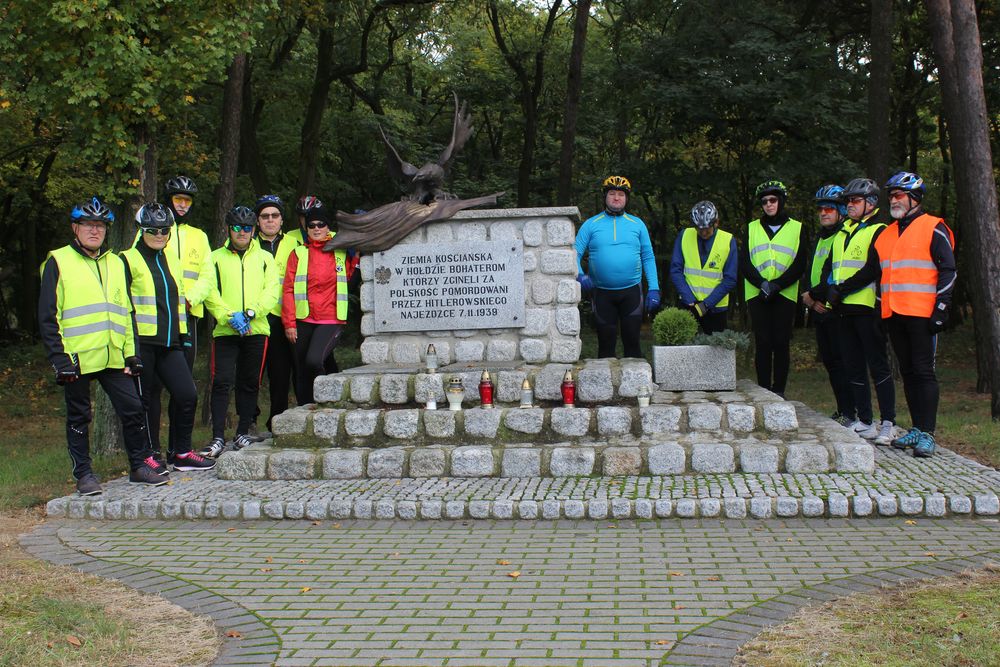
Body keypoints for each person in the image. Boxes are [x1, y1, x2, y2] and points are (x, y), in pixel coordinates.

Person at [38, 198, 165, 494]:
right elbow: (47, 316)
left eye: (100, 226)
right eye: (88, 225)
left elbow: (126, 312)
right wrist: (59, 359)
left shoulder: (115, 263)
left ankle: (138, 466)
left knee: (134, 409)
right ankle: (84, 475)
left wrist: (131, 353)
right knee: (79, 416)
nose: (94, 231)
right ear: (75, 227)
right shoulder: (58, 261)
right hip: (76, 357)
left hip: (113, 357)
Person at [831, 172, 956, 457]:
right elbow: (877, 273)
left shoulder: (933, 227)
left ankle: (928, 433)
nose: (893, 200)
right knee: (909, 373)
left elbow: (948, 270)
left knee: (924, 372)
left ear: (915, 198)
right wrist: (877, 309)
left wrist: (942, 308)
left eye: (898, 195)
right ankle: (916, 428)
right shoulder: (886, 233)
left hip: (924, 314)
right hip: (894, 313)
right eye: (891, 196)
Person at [121, 203, 214, 471]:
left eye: (165, 230)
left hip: (172, 341)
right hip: (144, 343)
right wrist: (130, 349)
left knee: (187, 395)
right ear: (141, 230)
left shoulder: (170, 258)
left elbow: (179, 298)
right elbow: (124, 307)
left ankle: (181, 453)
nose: (160, 235)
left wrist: (184, 335)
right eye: (153, 230)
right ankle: (148, 455)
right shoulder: (126, 259)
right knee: (146, 402)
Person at [812, 178, 897, 445]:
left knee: (878, 366)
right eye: (848, 201)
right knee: (853, 366)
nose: (850, 205)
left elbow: (873, 268)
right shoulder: (842, 232)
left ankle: (888, 422)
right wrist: (828, 291)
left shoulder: (879, 230)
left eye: (855, 201)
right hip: (843, 309)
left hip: (867, 306)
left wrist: (841, 289)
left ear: (870, 204)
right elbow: (829, 267)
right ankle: (865, 419)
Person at [199, 206, 280, 458]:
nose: (242, 232)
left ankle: (243, 431)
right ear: (228, 229)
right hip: (226, 331)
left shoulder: (265, 258)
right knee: (221, 382)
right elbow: (209, 292)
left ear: (254, 229)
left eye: (247, 228)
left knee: (249, 382)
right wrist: (227, 316)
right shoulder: (214, 257)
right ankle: (217, 437)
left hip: (256, 329)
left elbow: (272, 291)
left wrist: (250, 313)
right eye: (237, 228)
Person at [143, 176, 213, 465]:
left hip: (188, 318)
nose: (182, 205)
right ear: (169, 200)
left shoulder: (199, 236)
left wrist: (191, 298)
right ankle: (150, 451)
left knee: (183, 389)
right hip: (157, 321)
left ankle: (179, 449)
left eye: (187, 200)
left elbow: (208, 274)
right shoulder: (154, 229)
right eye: (177, 199)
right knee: (152, 389)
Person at [575, 176, 660, 358]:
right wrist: (580, 275)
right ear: (605, 197)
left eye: (621, 194)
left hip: (632, 293)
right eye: (612, 193)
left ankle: (637, 386)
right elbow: (574, 253)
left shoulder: (637, 224)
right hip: (601, 293)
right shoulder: (591, 224)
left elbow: (648, 257)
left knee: (633, 346)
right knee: (605, 348)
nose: (616, 198)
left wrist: (654, 288)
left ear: (626, 198)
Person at [282, 207, 359, 404]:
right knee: (302, 369)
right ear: (306, 229)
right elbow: (289, 289)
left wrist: (357, 254)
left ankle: (328, 400)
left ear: (327, 227)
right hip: (303, 318)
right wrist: (289, 323)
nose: (316, 228)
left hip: (331, 318)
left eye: (321, 224)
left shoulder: (341, 249)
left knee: (314, 360)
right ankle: (305, 410)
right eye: (311, 225)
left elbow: (353, 274)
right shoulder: (298, 253)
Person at [740, 180, 807, 397]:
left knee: (780, 342)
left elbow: (799, 263)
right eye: (765, 201)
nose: (769, 205)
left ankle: (779, 391)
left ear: (781, 201)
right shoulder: (751, 228)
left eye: (773, 200)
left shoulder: (797, 228)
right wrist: (762, 284)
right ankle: (763, 390)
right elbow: (745, 262)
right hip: (757, 292)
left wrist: (777, 285)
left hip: (784, 293)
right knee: (763, 342)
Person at [800, 185, 854, 426]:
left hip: (835, 308)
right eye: (821, 209)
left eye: (829, 208)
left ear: (841, 210)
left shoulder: (843, 237)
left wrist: (812, 296)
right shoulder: (821, 237)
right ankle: (843, 410)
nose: (824, 213)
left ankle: (851, 412)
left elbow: (833, 274)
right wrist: (809, 299)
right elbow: (814, 269)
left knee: (844, 363)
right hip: (818, 308)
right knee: (832, 363)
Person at [254, 194, 303, 433]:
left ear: (282, 220)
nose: (270, 220)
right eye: (265, 216)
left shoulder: (294, 243)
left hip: (284, 316)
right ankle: (248, 423)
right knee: (252, 373)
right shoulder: (249, 243)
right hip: (255, 317)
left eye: (275, 216)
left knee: (281, 373)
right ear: (257, 220)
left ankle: (277, 421)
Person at [668, 200, 737, 334]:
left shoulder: (728, 240)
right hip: (688, 305)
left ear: (716, 223)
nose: (703, 232)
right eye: (699, 229)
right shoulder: (684, 235)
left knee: (715, 352)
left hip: (716, 308)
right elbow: (676, 270)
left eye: (706, 229)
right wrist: (689, 299)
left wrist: (706, 305)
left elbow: (730, 279)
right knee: (684, 351)